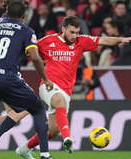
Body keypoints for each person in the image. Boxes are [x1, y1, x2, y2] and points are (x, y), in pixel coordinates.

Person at [16, 15, 131, 158]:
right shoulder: (47, 41)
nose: (75, 36)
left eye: (77, 32)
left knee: (53, 130)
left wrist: (122, 39)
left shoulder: (81, 42)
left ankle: (24, 149)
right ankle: (67, 139)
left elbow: (103, 40)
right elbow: (27, 50)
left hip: (66, 90)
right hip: (49, 85)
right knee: (59, 100)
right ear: (63, 29)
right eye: (72, 32)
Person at [0, 1, 54, 159]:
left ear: (7, 11)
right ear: (24, 14)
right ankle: (44, 154)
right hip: (8, 77)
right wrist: (46, 78)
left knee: (13, 112)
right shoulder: (26, 30)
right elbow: (35, 58)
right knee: (35, 110)